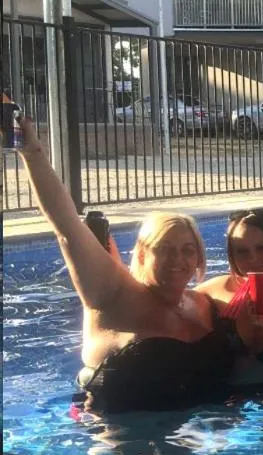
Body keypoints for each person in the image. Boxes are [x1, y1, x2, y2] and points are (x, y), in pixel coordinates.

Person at [14, 114, 233, 413]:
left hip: (204, 437)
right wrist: (32, 154)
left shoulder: (204, 303)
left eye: (187, 250)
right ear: (142, 254)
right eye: (164, 249)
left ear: (199, 257)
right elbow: (66, 226)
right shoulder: (112, 294)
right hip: (124, 442)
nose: (177, 260)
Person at [196, 208, 263, 387]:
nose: (253, 259)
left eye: (262, 248)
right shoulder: (214, 292)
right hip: (229, 406)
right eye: (242, 251)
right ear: (232, 255)